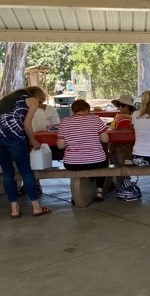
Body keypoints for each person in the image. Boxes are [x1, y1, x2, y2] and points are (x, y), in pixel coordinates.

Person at [0, 86, 51, 218]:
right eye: (41, 101)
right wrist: (33, 141)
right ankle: (36, 207)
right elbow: (27, 124)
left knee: (7, 172)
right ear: (37, 96)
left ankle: (14, 209)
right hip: (13, 135)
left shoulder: (6, 99)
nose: (39, 105)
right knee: (26, 171)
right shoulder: (32, 100)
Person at [57, 99, 110, 202]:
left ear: (73, 111)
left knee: (87, 161)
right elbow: (105, 139)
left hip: (72, 163)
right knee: (103, 159)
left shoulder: (64, 122)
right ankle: (99, 190)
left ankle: (76, 194)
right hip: (96, 162)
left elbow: (60, 146)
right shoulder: (96, 119)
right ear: (87, 109)